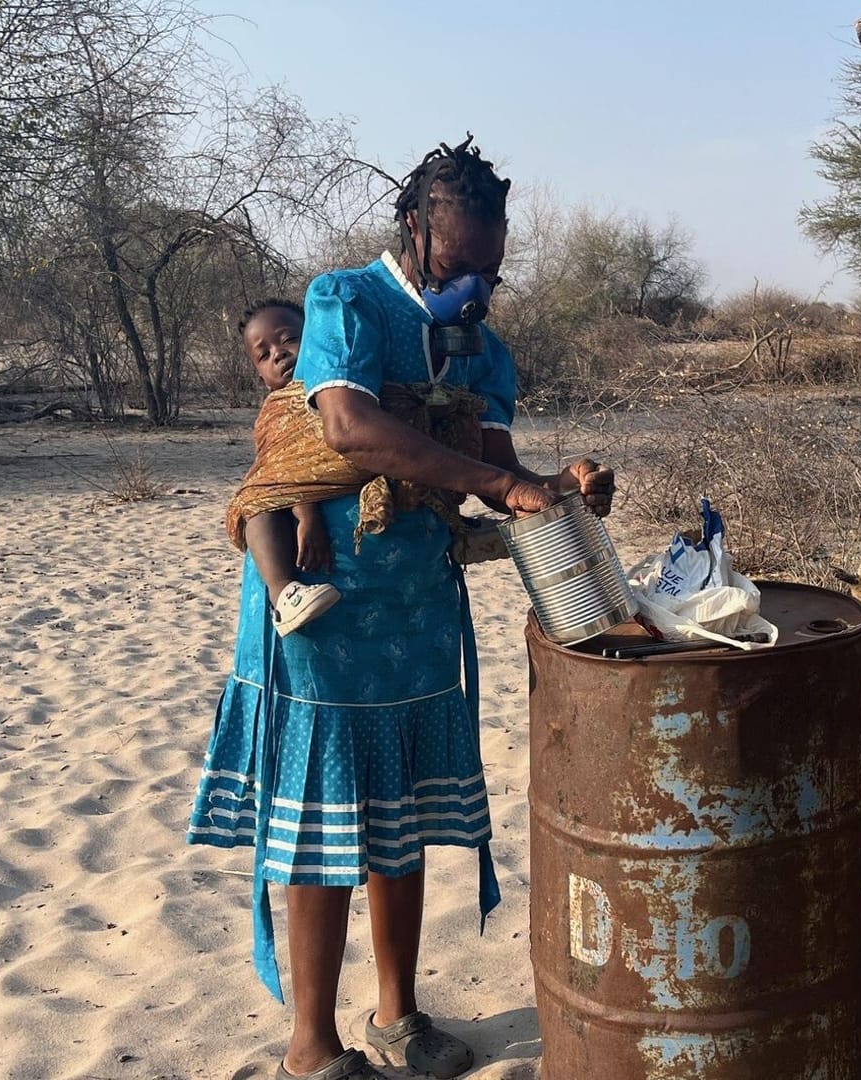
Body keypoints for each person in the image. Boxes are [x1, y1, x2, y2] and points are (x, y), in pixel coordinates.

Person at [187, 137, 614, 1080]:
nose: (478, 292)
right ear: (417, 230)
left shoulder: (483, 349)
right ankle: (310, 1044)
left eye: (492, 274)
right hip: (326, 608)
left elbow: (498, 468)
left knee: (403, 814)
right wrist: (502, 489)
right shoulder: (348, 303)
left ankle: (399, 1016)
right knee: (319, 820)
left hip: (418, 605)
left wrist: (558, 482)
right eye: (461, 269)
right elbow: (347, 425)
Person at [227, 298, 342, 637]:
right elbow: (287, 470)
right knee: (255, 505)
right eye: (264, 355)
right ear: (261, 377)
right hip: (284, 502)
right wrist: (307, 515)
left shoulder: (340, 390)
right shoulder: (275, 411)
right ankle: (284, 594)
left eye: (288, 338)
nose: (278, 353)